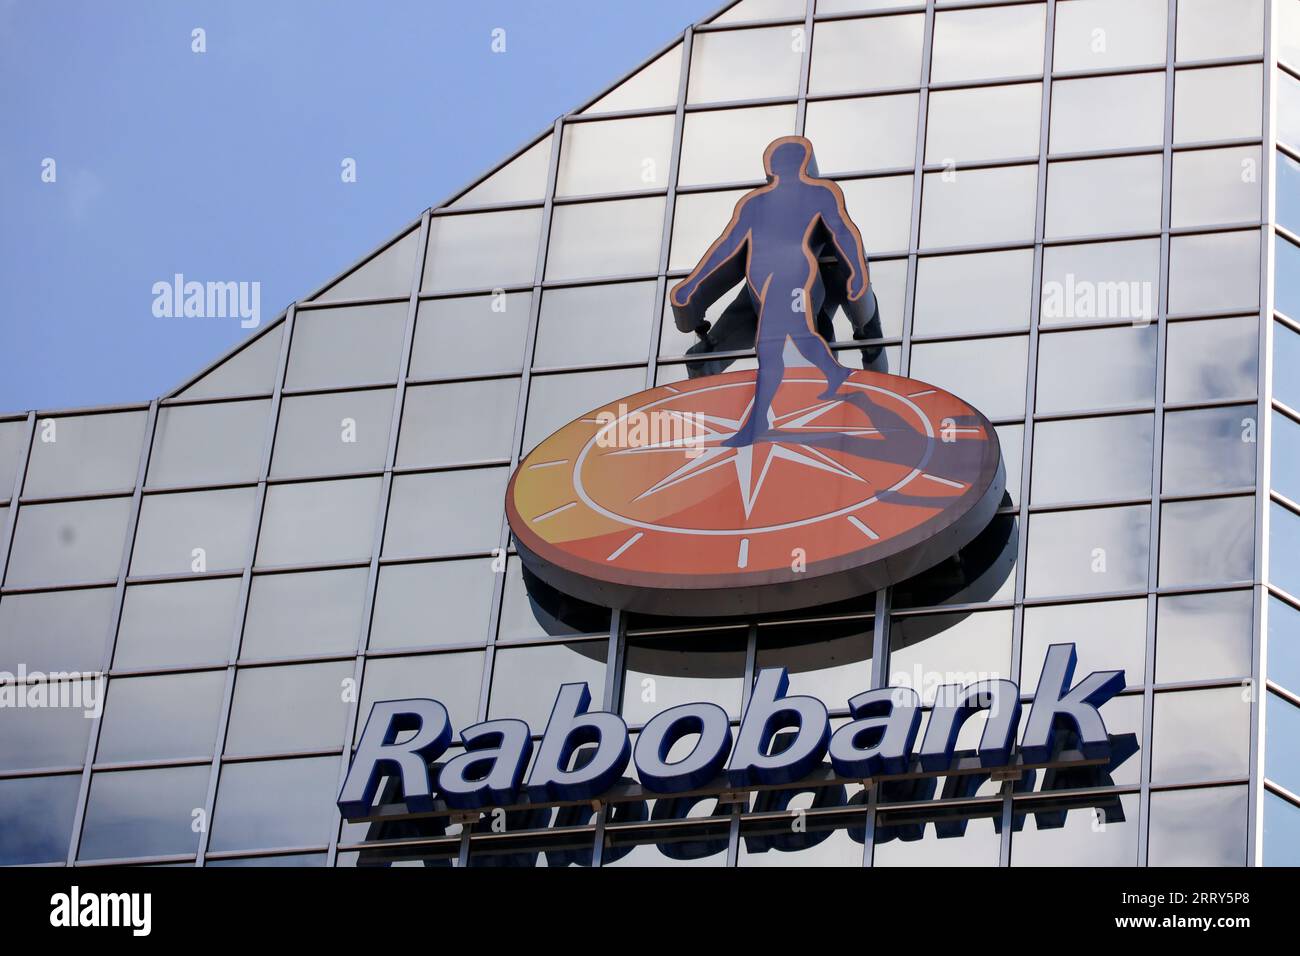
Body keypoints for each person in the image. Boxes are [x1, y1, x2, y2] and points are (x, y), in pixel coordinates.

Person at [670, 135, 872, 447]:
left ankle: (758, 423)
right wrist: (693, 284)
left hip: (789, 276)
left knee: (770, 348)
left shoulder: (818, 193)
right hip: (764, 283)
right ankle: (835, 376)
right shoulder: (754, 203)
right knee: (798, 339)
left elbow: (842, 232)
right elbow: (727, 247)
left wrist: (858, 272)